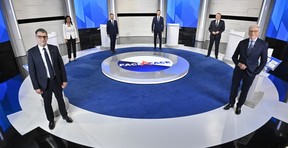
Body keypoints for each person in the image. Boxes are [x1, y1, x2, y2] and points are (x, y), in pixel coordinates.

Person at [28, 28, 73, 130]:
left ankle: (65, 115)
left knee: (60, 99)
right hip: (44, 83)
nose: (42, 39)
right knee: (47, 103)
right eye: (40, 37)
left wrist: (64, 79)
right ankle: (51, 120)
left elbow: (61, 65)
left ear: (47, 37)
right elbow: (32, 71)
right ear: (36, 38)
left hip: (56, 80)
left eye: (44, 36)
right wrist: (36, 86)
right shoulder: (31, 52)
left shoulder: (54, 48)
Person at [223, 25, 268, 115]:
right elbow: (234, 57)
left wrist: (256, 72)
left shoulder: (263, 44)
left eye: (255, 31)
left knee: (245, 90)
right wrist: (239, 64)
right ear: (248, 32)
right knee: (234, 87)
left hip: (251, 72)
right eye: (251, 31)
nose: (252, 33)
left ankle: (239, 106)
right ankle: (231, 103)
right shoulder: (242, 43)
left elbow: (264, 61)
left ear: (258, 32)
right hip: (238, 70)